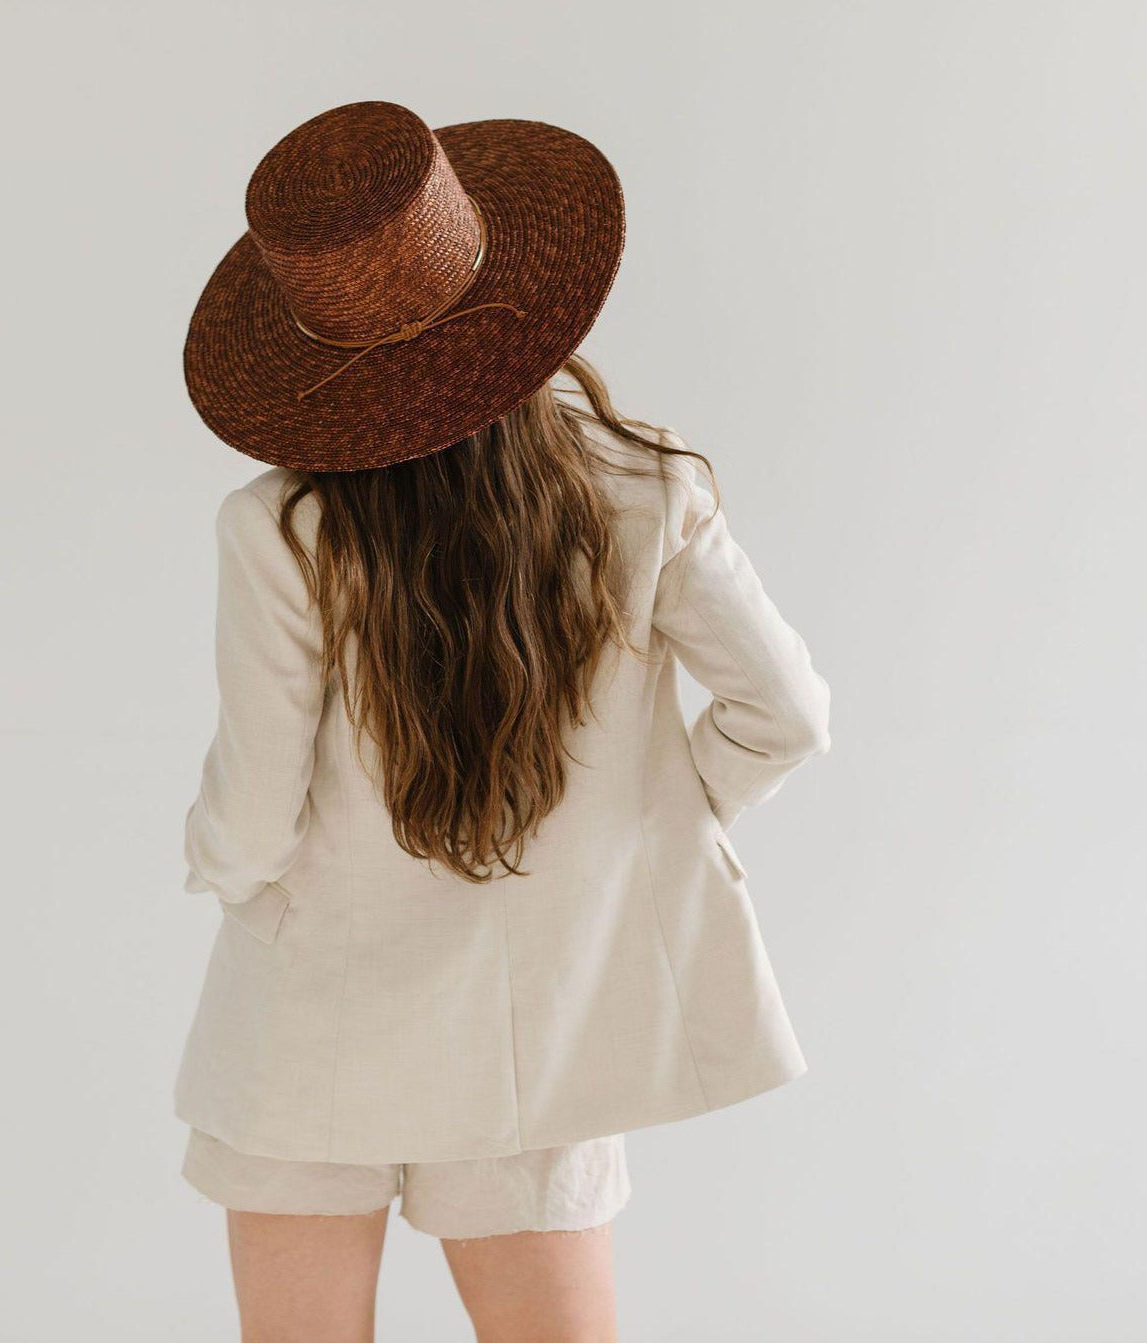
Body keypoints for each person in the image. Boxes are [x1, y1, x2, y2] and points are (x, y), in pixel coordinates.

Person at [174, 100, 831, 1343]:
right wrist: (635, 831)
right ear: (517, 295)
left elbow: (254, 817)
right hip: (540, 1024)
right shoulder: (646, 487)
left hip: (309, 1011)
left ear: (312, 363)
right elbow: (783, 713)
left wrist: (211, 859)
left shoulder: (279, 529)